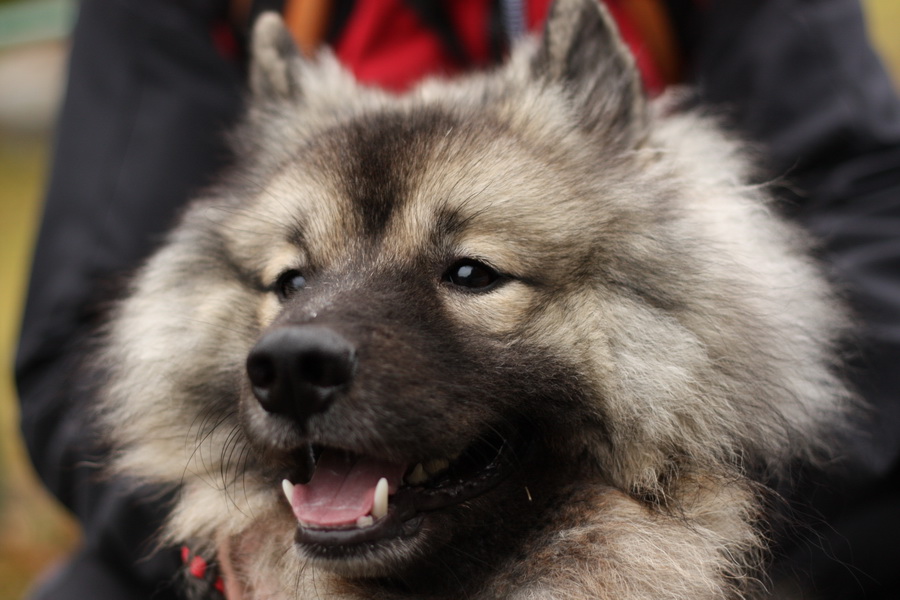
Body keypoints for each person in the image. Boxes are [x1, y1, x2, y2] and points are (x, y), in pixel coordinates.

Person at [16, 1, 900, 598]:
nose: (302, 333)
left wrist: (713, 526)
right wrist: (230, 558)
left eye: (473, 273)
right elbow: (74, 342)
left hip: (760, 499)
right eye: (290, 281)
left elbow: (873, 212)